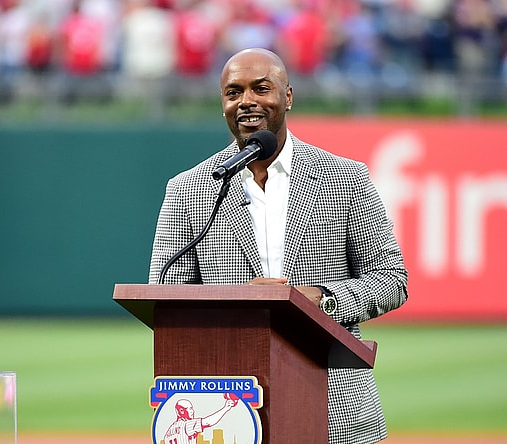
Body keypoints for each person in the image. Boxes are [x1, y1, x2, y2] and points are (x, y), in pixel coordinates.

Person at [148, 47, 408, 444]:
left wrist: (317, 299)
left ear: (287, 96)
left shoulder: (345, 177)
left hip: (336, 410)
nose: (247, 101)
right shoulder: (188, 189)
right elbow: (167, 297)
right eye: (233, 92)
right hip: (228, 410)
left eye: (261, 88)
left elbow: (391, 279)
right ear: (223, 105)